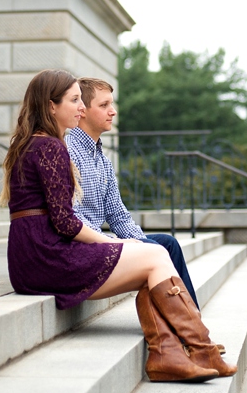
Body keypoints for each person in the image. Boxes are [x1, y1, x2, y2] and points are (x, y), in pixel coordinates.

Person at [2, 69, 237, 383]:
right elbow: (65, 220)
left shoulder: (38, 144)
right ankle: (193, 348)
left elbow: (107, 214)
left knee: (154, 254)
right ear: (51, 106)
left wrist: (128, 241)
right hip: (46, 256)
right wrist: (112, 243)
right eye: (75, 101)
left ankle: (180, 352)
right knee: (154, 256)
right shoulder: (53, 148)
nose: (81, 108)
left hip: (33, 255)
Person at [67, 77, 200, 310]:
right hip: (86, 248)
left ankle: (193, 324)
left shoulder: (103, 162)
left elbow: (118, 216)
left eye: (112, 104)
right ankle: (190, 333)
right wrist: (114, 243)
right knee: (159, 250)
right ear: (83, 111)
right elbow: (72, 217)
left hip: (102, 244)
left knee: (166, 244)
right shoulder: (68, 153)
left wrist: (142, 242)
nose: (113, 111)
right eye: (104, 105)